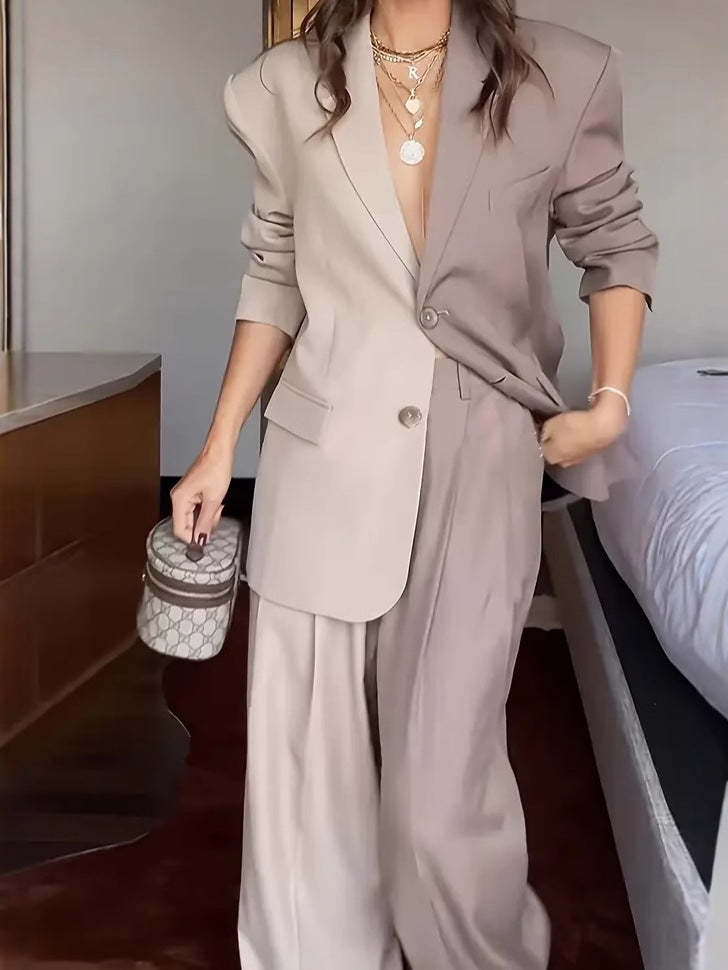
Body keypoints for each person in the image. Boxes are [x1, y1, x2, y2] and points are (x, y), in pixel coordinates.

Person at [171, 0, 659, 967]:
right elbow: (276, 268)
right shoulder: (279, 85)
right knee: (309, 778)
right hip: (322, 450)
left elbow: (616, 243)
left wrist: (609, 403)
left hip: (481, 450)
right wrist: (218, 444)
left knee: (441, 792)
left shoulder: (564, 72)